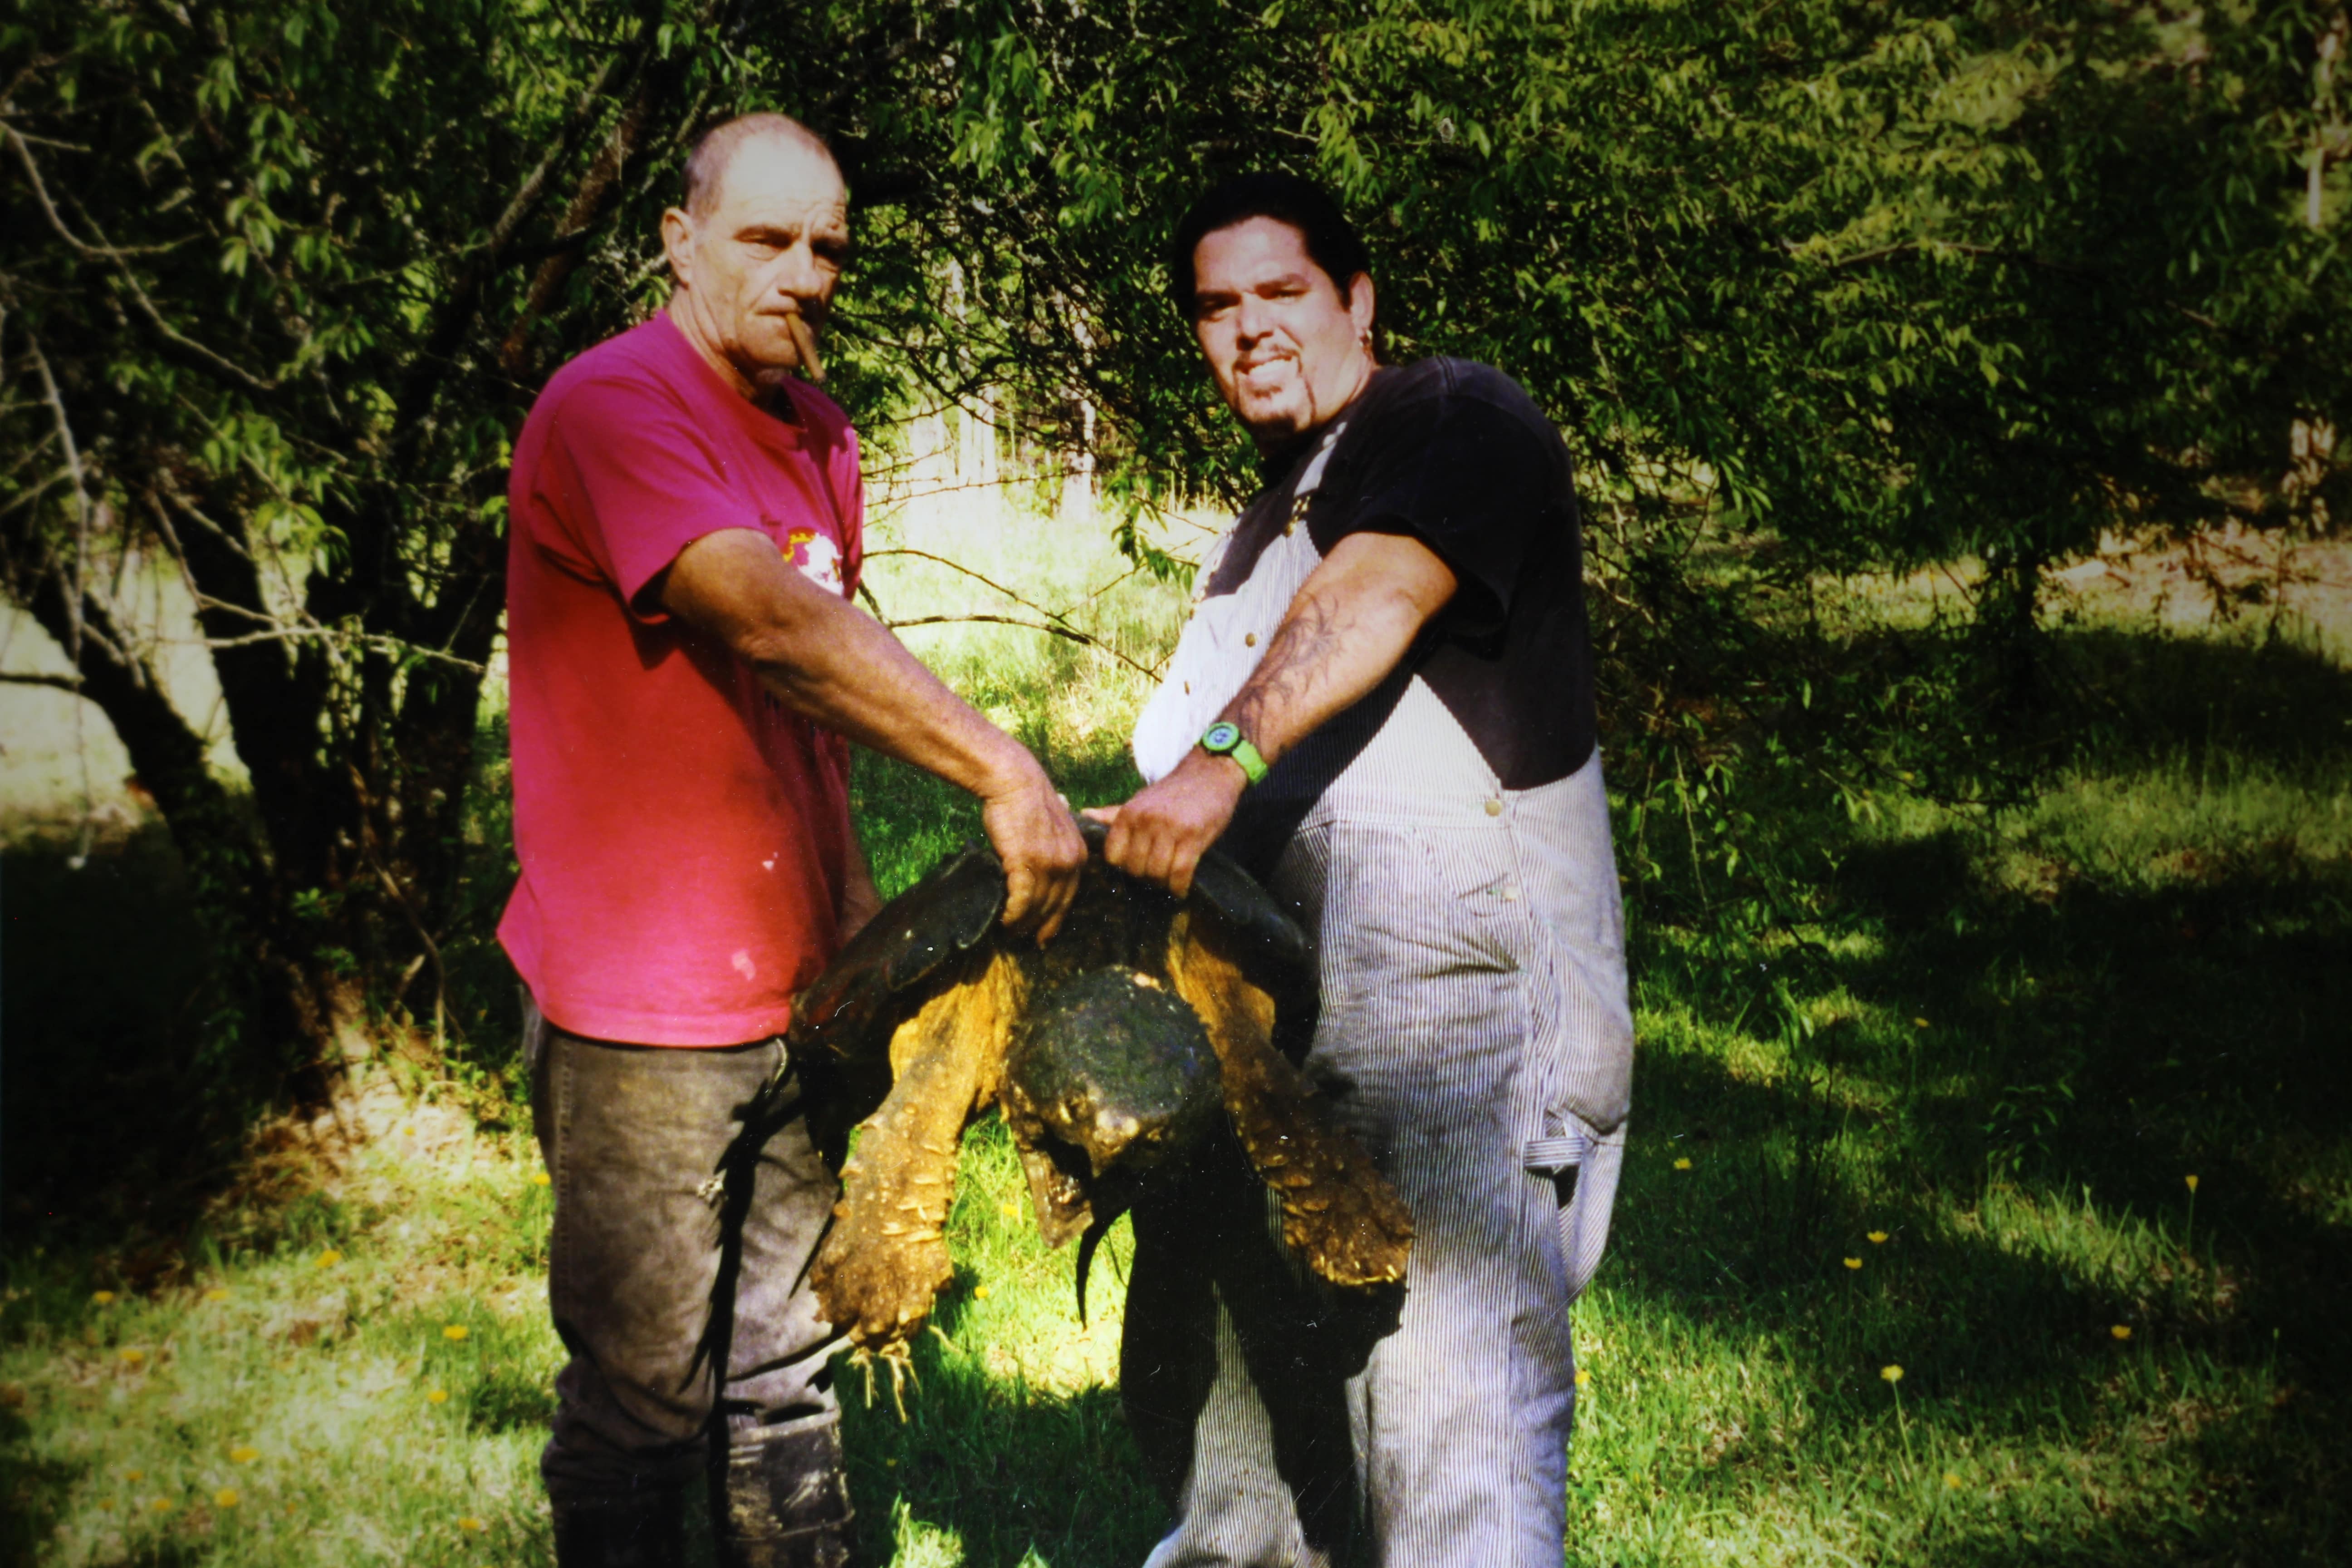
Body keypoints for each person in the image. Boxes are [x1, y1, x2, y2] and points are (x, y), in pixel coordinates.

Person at [500, 112, 1087, 1568]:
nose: (805, 272)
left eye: (829, 244)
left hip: (795, 981)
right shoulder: (612, 405)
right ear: (679, 238)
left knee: (785, 1363)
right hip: (643, 1006)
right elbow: (764, 619)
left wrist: (863, 938)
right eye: (765, 238)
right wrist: (1005, 769)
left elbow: (804, 711)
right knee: (644, 1398)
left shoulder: (820, 432)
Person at [1095, 172, 1636, 1568]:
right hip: (1285, 1016)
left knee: (1450, 1417)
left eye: (1283, 293)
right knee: (1250, 1435)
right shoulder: (1268, 520)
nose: (1249, 330)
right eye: (1217, 308)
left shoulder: (1451, 418)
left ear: (1360, 301)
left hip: (1451, 1022)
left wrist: (1213, 768)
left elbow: (1376, 597)